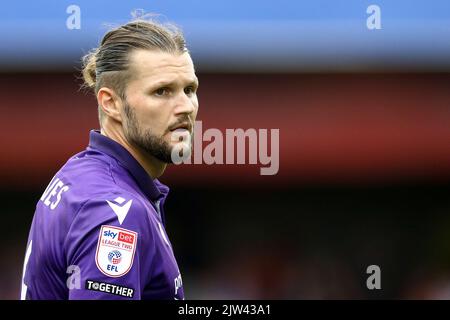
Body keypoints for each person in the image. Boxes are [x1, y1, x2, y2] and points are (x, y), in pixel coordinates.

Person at [20, 18, 199, 300]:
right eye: (162, 91)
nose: (186, 107)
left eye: (189, 89)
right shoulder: (115, 211)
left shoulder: (80, 173)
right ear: (111, 103)